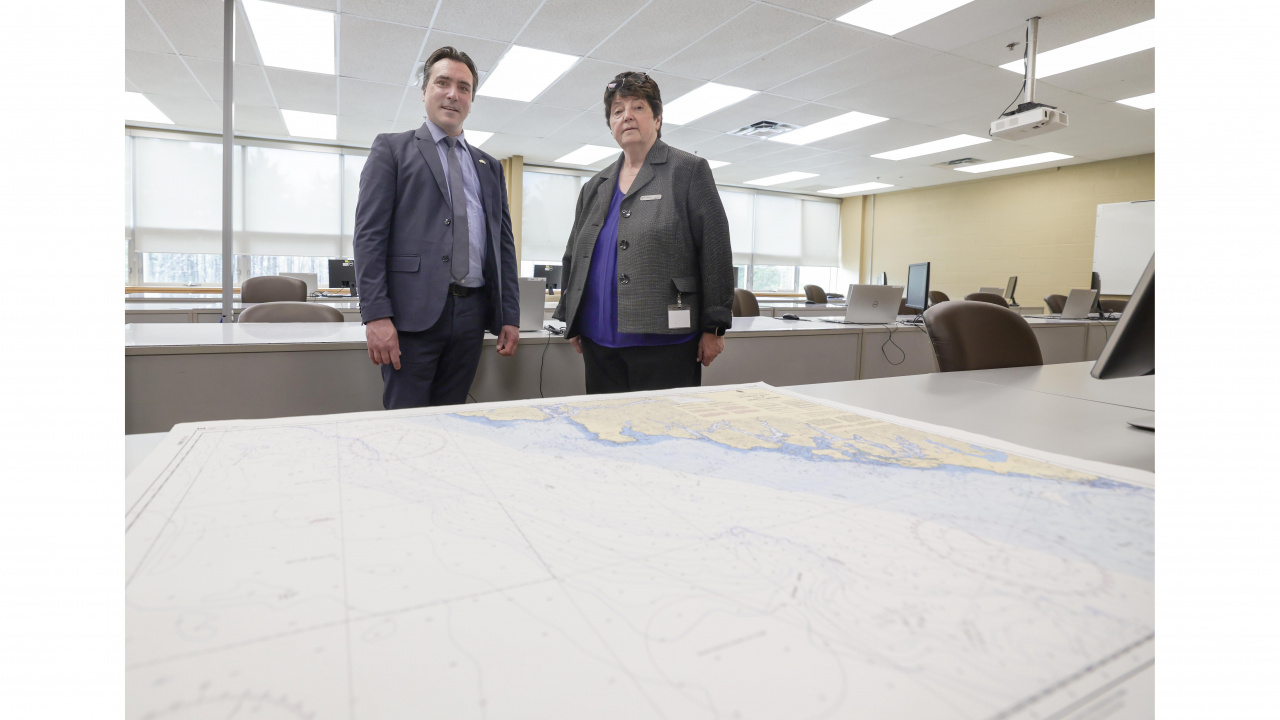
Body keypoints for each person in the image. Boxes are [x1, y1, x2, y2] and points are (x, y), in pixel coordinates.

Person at [353, 46, 520, 409]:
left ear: (471, 99)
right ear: (424, 91)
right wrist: (376, 315)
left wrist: (509, 315)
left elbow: (502, 245)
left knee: (454, 415)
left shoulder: (488, 166)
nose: (452, 94)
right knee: (406, 419)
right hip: (412, 316)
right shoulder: (392, 150)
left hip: (472, 315)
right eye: (442, 83)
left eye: (463, 87)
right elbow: (369, 238)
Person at [552, 71, 733, 394]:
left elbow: (715, 248)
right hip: (598, 341)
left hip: (665, 340)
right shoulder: (595, 186)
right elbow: (574, 255)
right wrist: (571, 316)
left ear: (658, 118)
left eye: (638, 107)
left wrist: (714, 326)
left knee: (662, 437)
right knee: (606, 433)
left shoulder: (688, 171)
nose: (627, 116)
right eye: (618, 110)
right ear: (610, 125)